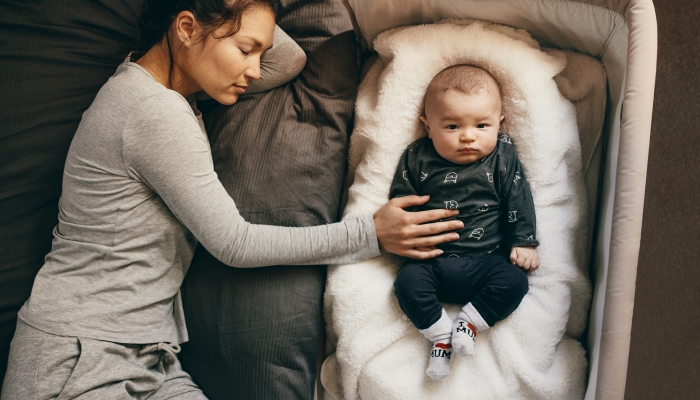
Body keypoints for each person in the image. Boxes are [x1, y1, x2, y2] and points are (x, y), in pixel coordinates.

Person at [0, 0, 465, 398]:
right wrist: (370, 233)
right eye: (245, 50)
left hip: (144, 356)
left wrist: (248, 22)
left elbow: (288, 60)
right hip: (80, 358)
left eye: (256, 50)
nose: (253, 68)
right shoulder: (151, 111)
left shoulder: (170, 93)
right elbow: (235, 243)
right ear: (185, 27)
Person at [390, 64, 540, 380]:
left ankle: (468, 323)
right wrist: (408, 238)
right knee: (406, 284)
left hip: (488, 261)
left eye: (482, 125)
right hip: (431, 260)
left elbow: (518, 197)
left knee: (515, 282)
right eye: (453, 126)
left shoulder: (502, 155)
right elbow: (400, 204)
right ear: (427, 126)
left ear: (500, 123)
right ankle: (440, 334)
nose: (469, 137)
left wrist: (523, 240)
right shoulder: (416, 157)